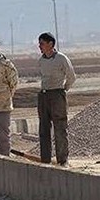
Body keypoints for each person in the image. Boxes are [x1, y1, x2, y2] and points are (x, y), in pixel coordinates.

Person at [36, 31, 76, 166]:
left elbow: (71, 76)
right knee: (44, 129)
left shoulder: (61, 59)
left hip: (57, 95)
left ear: (50, 44)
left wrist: (64, 89)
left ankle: (62, 160)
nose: (40, 46)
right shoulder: (41, 61)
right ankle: (45, 160)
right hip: (44, 95)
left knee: (60, 128)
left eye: (42, 43)